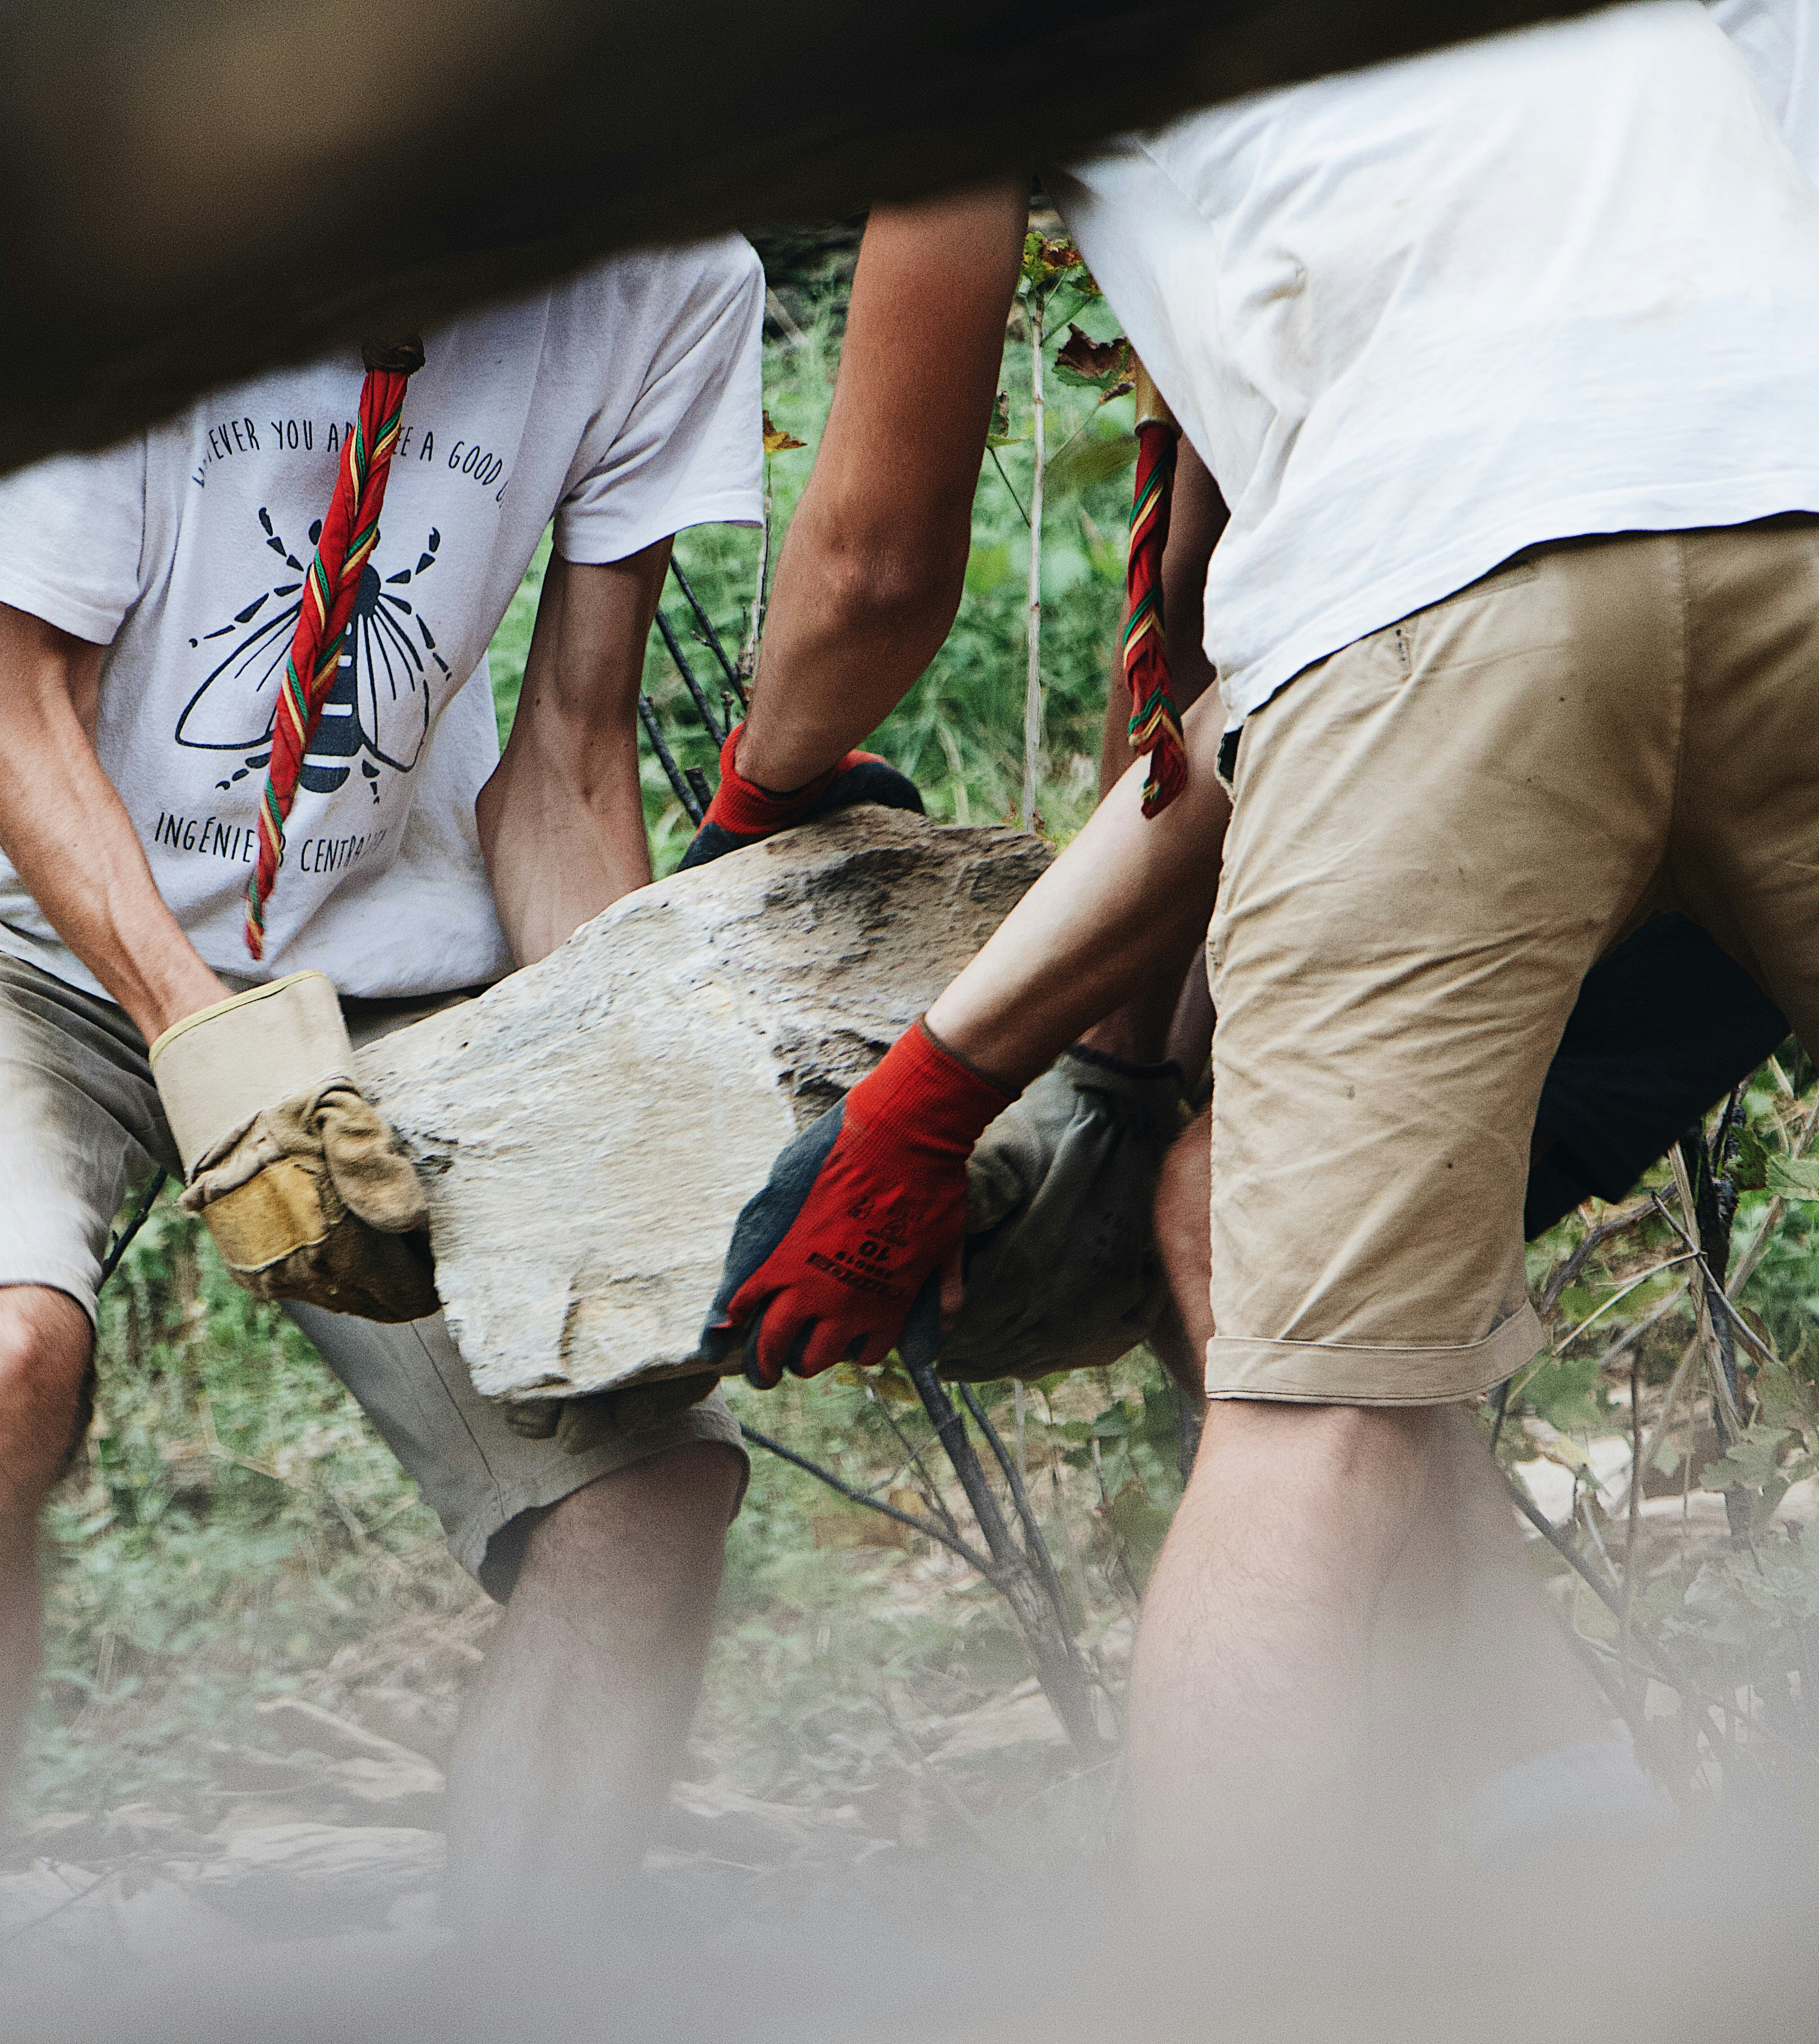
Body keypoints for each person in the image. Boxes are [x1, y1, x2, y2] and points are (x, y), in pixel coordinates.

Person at [692, 0, 1819, 1892]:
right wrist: (957, 1076)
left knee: (1320, 1420)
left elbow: (883, 565)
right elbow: (1261, 703)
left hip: (1441, 598)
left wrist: (768, 798)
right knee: (1223, 1202)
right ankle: (1593, 1884)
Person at [0, 234, 898, 1974]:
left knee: (647, 1491)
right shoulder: (143, 234)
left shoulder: (661, 275)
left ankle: (520, 1993)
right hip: (9, 916)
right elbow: (15, 711)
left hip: (388, 948)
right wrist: (220, 1059)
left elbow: (568, 755)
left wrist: (634, 1113)